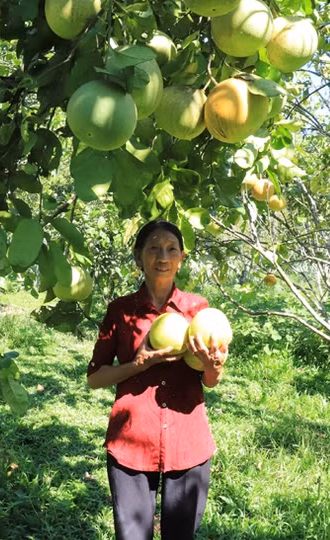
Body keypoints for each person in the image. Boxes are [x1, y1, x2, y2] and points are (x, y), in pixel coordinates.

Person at [87, 220, 228, 540]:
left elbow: (210, 380)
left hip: (187, 444)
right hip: (131, 443)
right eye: (153, 247)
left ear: (181, 258)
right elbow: (95, 378)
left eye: (171, 249)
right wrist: (138, 364)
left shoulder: (199, 310)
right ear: (138, 256)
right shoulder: (120, 311)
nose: (162, 255)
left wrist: (213, 367)